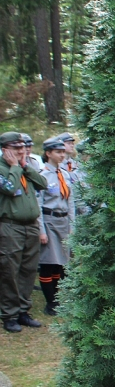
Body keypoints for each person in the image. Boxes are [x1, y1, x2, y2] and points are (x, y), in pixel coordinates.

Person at [0, 131, 47, 332]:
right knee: (10, 270)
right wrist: (14, 167)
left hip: (31, 225)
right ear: (4, 150)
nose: (21, 151)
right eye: (16, 148)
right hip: (11, 226)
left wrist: (25, 166)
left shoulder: (24, 167)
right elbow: (9, 188)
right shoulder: (4, 169)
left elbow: (43, 184)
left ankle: (23, 311)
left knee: (28, 270)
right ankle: (9, 315)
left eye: (23, 147)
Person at [36, 138, 75, 316]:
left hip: (63, 221)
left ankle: (58, 299)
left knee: (60, 264)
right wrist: (41, 230)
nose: (62, 155)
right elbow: (38, 204)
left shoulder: (65, 174)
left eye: (62, 152)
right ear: (48, 153)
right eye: (58, 152)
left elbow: (71, 202)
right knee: (48, 263)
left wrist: (72, 225)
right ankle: (50, 302)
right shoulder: (42, 176)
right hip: (49, 221)